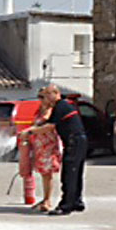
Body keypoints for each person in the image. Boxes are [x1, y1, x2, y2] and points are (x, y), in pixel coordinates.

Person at [21, 84, 88, 216]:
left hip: (74, 141)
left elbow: (49, 126)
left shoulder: (60, 106)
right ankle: (76, 202)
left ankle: (66, 206)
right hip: (78, 140)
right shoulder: (63, 105)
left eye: (46, 95)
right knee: (76, 173)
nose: (45, 99)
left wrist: (29, 132)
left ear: (55, 93)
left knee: (69, 174)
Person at [29, 91, 62, 212]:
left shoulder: (51, 111)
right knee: (43, 173)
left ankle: (47, 200)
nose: (40, 99)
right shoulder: (39, 110)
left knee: (47, 173)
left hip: (48, 144)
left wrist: (30, 131)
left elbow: (46, 124)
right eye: (39, 96)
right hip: (40, 144)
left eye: (42, 97)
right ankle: (45, 198)